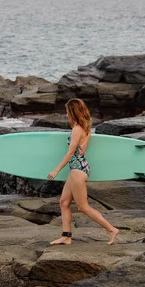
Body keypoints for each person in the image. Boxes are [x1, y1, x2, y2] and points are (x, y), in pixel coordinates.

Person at [47, 98, 120, 245]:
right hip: (77, 168)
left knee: (82, 207)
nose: (66, 114)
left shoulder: (77, 129)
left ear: (72, 112)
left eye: (67, 111)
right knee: (64, 202)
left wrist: (56, 170)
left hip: (78, 170)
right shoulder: (84, 127)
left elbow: (70, 153)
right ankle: (66, 236)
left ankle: (111, 229)